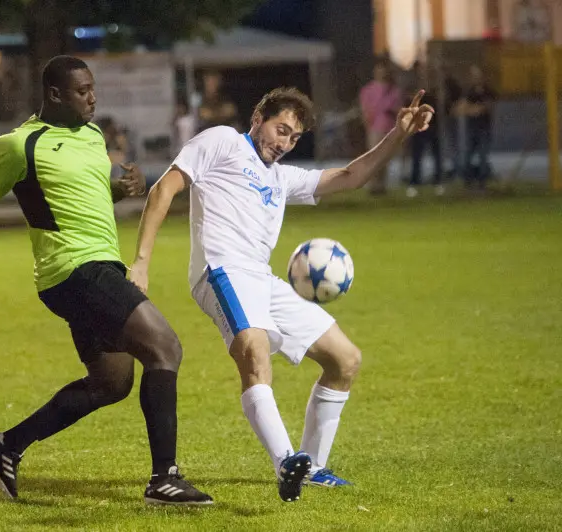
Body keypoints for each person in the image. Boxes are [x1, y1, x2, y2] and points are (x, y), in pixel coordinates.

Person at [0, 55, 212, 506]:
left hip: (100, 268)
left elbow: (83, 196)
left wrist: (119, 190)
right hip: (72, 271)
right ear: (54, 94)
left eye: (93, 89)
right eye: (82, 91)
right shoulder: (20, 145)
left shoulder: (91, 134)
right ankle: (164, 478)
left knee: (111, 384)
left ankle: (7, 445)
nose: (92, 98)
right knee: (165, 347)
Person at [130, 87, 433, 502]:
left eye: (293, 137)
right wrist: (142, 260)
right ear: (258, 117)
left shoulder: (281, 177)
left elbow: (351, 176)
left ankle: (313, 466)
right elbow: (164, 189)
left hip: (262, 279)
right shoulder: (221, 141)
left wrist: (398, 134)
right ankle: (286, 461)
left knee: (344, 359)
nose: (284, 143)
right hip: (220, 271)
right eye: (281, 129)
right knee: (254, 352)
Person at [359, 61, 402, 195]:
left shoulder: (394, 90)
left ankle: (382, 185)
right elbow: (365, 109)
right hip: (375, 127)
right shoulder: (368, 90)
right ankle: (373, 184)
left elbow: (398, 109)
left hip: (389, 127)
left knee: (384, 158)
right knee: (374, 157)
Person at [407, 63, 443, 197]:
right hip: (418, 127)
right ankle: (414, 183)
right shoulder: (415, 90)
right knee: (417, 156)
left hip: (433, 126)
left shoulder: (435, 89)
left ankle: (438, 182)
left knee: (436, 155)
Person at [461, 65, 497, 189]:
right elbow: (465, 108)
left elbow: (488, 107)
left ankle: (482, 182)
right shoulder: (469, 91)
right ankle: (468, 181)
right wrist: (475, 109)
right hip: (472, 128)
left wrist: (476, 109)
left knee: (483, 155)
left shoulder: (488, 91)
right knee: (468, 154)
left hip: (484, 128)